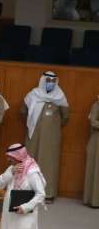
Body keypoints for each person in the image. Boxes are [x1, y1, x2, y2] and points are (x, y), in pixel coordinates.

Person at [20, 71, 69, 201]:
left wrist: (50, 127)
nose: (50, 83)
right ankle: (27, 192)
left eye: (53, 81)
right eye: (48, 80)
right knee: (31, 163)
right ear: (43, 81)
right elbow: (23, 111)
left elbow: (65, 117)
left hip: (51, 139)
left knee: (49, 164)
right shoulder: (33, 94)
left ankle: (48, 194)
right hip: (33, 137)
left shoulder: (60, 97)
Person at [85, 96, 99, 208]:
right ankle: (94, 200)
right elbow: (93, 122)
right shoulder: (96, 105)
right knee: (95, 170)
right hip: (97, 142)